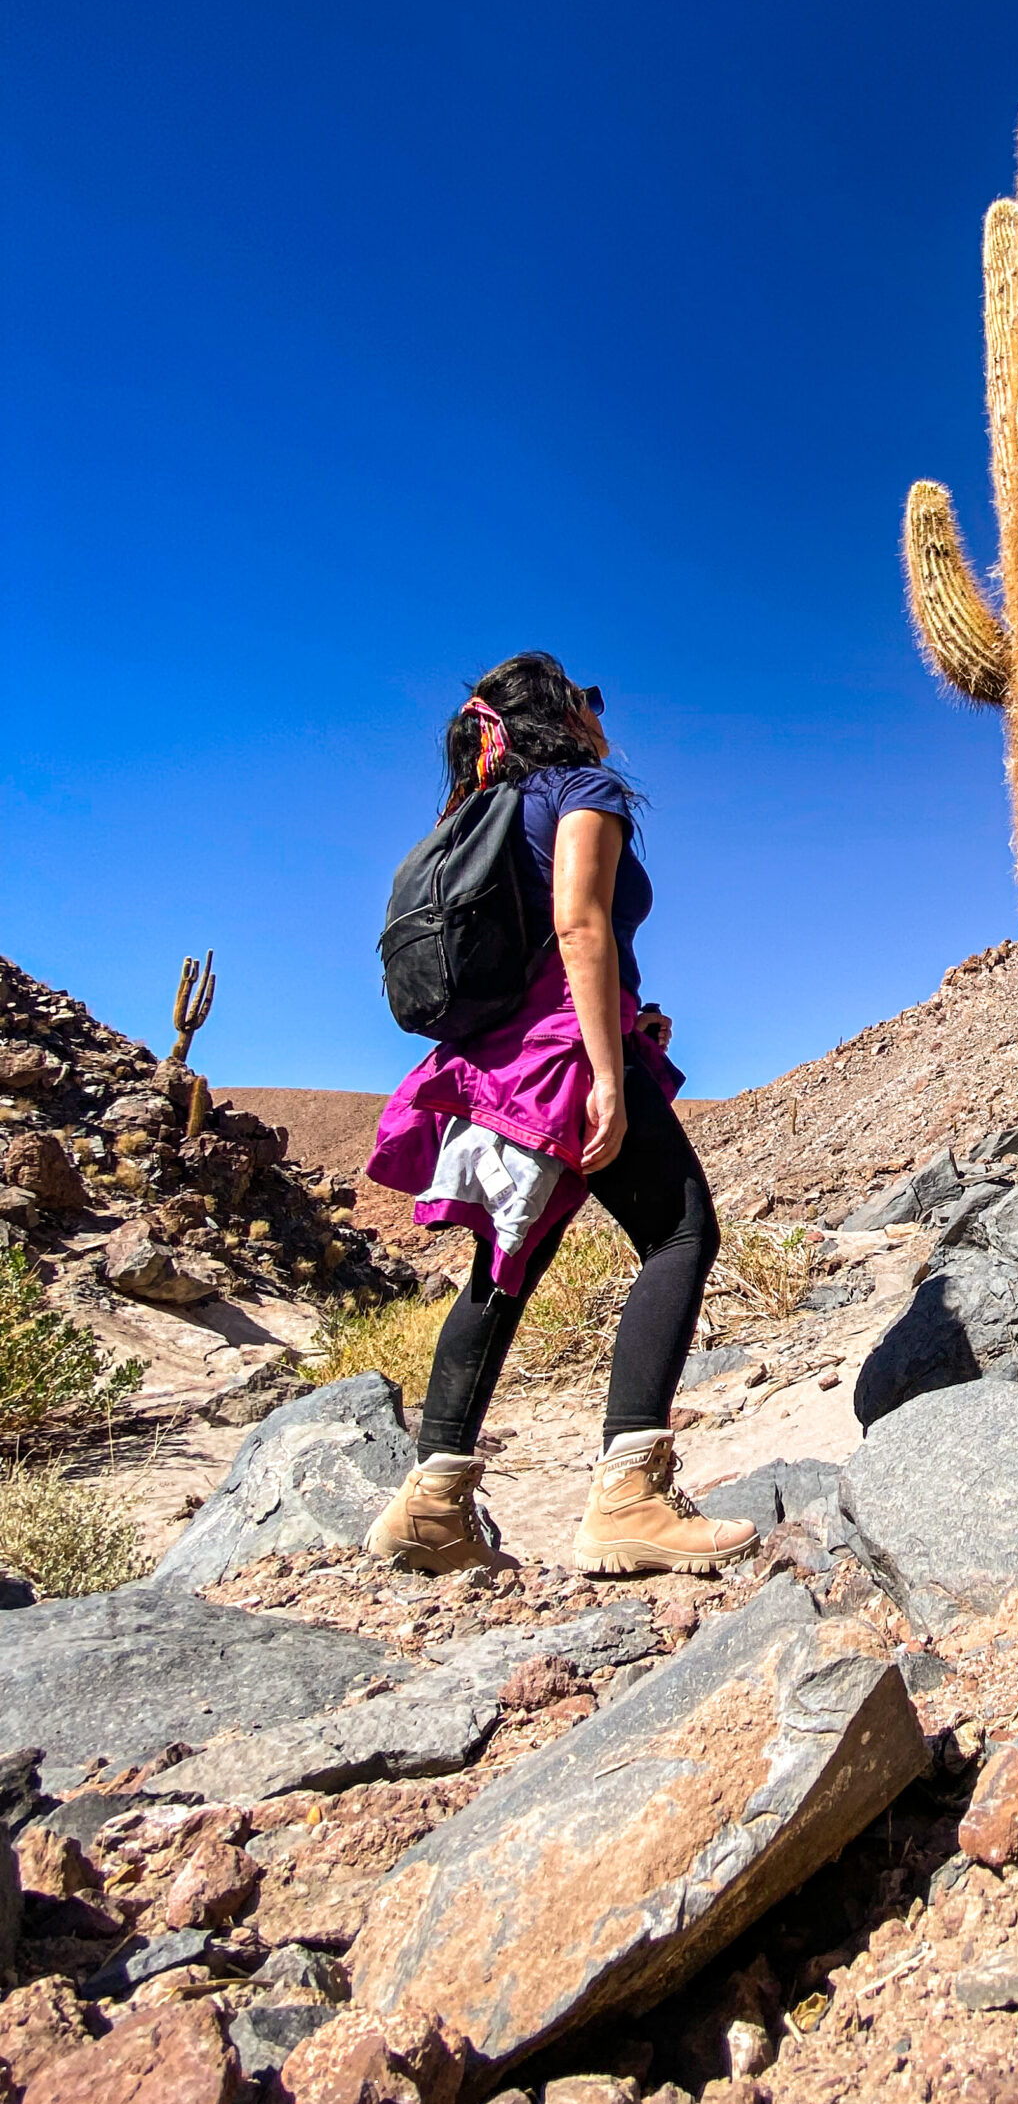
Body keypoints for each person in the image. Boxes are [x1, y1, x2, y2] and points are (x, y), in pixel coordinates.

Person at [363, 651, 757, 1579]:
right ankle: (629, 1499)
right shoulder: (584, 788)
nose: (599, 710)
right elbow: (579, 924)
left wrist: (627, 1018)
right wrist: (609, 1074)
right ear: (563, 712)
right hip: (566, 1056)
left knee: (508, 1263)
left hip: (495, 1066)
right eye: (589, 697)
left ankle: (431, 1503)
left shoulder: (481, 811)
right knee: (680, 1233)